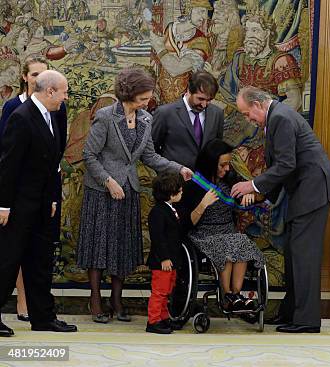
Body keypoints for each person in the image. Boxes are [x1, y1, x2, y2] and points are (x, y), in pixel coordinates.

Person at [77, 67, 192, 324]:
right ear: (129, 94)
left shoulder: (146, 120)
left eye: (148, 98)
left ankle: (117, 302)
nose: (147, 102)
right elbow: (89, 155)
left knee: (122, 247)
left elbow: (149, 157)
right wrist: (108, 182)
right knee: (99, 247)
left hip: (129, 191)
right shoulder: (105, 117)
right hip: (101, 192)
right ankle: (96, 302)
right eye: (143, 98)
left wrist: (178, 168)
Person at [231, 86, 330, 333]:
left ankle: (306, 321)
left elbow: (286, 165)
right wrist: (261, 195)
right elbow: (285, 166)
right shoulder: (277, 116)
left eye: (248, 114)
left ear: (258, 105)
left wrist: (252, 184)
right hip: (303, 192)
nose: (248, 120)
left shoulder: (280, 117)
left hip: (312, 192)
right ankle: (291, 314)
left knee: (304, 258)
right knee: (294, 255)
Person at [0, 70, 76, 336]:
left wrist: (53, 198)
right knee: (8, 262)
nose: (66, 97)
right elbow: (8, 165)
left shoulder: (55, 115)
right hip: (18, 206)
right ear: (50, 91)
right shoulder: (21, 118)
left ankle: (43, 318)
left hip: (44, 204)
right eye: (64, 92)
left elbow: (53, 164)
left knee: (40, 262)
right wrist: (4, 206)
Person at [177, 139, 265, 312]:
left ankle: (236, 295)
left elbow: (260, 197)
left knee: (241, 242)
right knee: (226, 245)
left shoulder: (231, 181)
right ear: (210, 164)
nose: (227, 169)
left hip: (227, 231)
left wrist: (253, 196)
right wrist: (203, 205)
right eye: (222, 165)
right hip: (203, 234)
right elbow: (186, 224)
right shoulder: (193, 186)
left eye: (228, 164)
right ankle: (226, 296)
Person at [152, 70, 224, 170]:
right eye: (200, 99)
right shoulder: (165, 113)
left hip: (204, 180)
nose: (204, 105)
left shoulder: (217, 113)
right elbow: (152, 151)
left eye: (209, 100)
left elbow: (217, 147)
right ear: (189, 91)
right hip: (174, 180)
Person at [146, 172, 184, 334]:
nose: (182, 192)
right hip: (162, 261)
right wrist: (164, 258)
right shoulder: (158, 212)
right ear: (170, 193)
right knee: (159, 292)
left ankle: (163, 317)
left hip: (172, 260)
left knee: (167, 291)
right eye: (179, 190)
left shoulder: (170, 209)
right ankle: (153, 321)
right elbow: (158, 238)